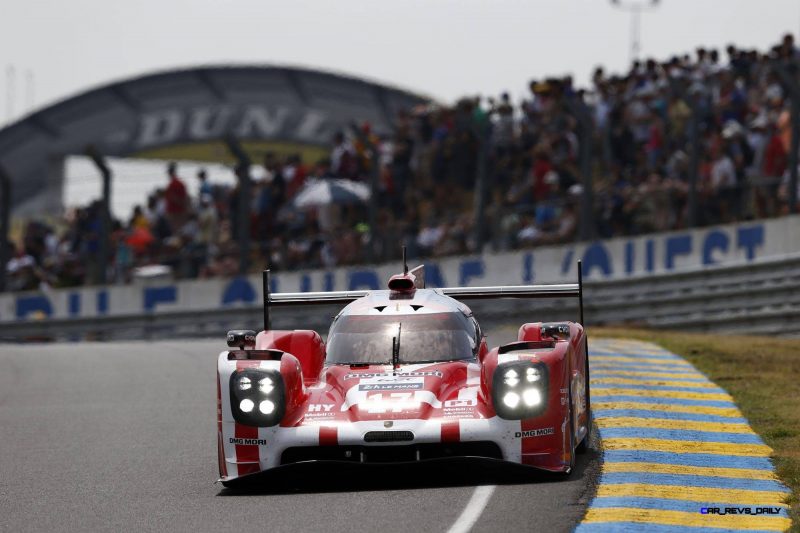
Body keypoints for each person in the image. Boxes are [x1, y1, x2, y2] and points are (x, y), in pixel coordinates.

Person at [164, 162, 189, 231]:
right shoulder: (177, 183)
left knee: (176, 229)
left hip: (176, 212)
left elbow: (179, 199)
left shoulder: (175, 183)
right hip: (176, 212)